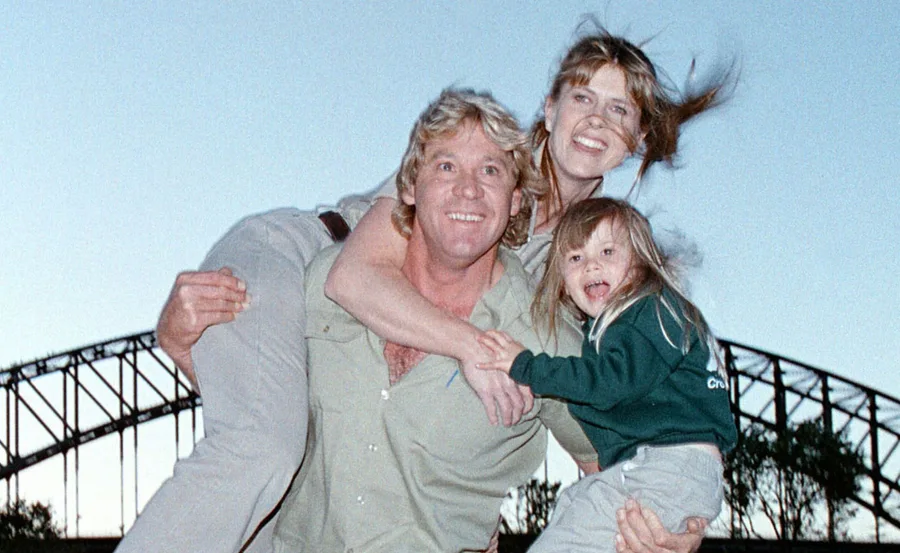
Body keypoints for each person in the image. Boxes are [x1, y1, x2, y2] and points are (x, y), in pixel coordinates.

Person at [139, 27, 730, 553]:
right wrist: (474, 347)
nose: (598, 120)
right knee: (262, 451)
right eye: (583, 98)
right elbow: (352, 277)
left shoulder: (593, 258)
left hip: (348, 339)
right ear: (549, 109)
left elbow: (625, 402)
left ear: (639, 139)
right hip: (303, 253)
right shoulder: (479, 152)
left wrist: (670, 507)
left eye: (620, 111)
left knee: (288, 486)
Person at [268, 87, 599, 553]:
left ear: (516, 201)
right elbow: (259, 402)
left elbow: (617, 462)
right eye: (446, 166)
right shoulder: (326, 282)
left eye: (490, 170)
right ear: (407, 188)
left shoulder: (544, 339)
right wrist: (185, 344)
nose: (468, 188)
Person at [476, 197, 738, 553]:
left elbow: (609, 382)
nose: (591, 265)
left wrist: (525, 366)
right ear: (562, 279)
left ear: (641, 262)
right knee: (574, 506)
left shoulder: (650, 310)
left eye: (608, 252)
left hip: (668, 465)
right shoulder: (619, 324)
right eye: (575, 257)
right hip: (658, 467)